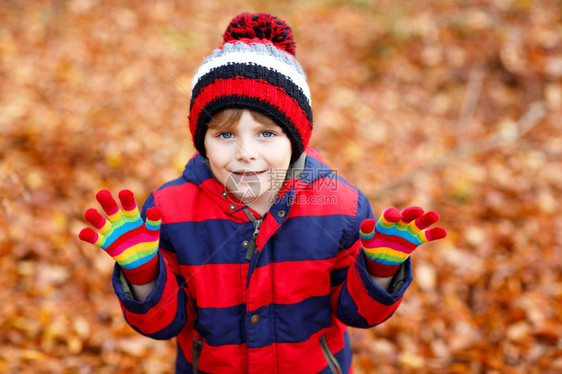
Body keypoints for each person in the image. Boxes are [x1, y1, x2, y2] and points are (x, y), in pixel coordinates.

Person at [79, 13, 446, 374]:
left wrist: (379, 271)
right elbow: (163, 325)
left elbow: (358, 314)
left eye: (266, 134)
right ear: (202, 141)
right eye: (225, 135)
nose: (245, 153)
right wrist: (143, 274)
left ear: (295, 139)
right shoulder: (171, 211)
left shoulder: (341, 207)